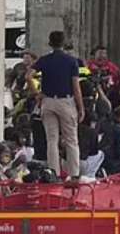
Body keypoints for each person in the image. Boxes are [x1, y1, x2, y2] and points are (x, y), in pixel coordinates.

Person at [27, 31, 85, 180]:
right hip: (66, 101)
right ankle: (74, 175)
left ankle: (54, 174)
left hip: (47, 102)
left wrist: (36, 93)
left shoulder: (44, 60)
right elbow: (76, 87)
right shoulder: (72, 61)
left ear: (50, 43)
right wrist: (81, 107)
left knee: (51, 140)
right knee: (71, 140)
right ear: (64, 43)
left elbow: (28, 75)